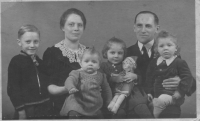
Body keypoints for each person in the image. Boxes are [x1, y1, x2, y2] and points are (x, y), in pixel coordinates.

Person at [127, 11, 196, 118]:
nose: (143, 30)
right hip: (137, 105)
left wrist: (180, 82)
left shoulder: (169, 52)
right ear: (134, 28)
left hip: (166, 103)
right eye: (139, 25)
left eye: (148, 26)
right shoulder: (126, 53)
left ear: (157, 29)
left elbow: (190, 81)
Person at [42, 8, 87, 117]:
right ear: (63, 27)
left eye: (80, 25)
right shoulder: (52, 53)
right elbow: (48, 87)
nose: (76, 28)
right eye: (71, 24)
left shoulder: (89, 52)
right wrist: (68, 88)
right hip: (62, 107)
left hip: (89, 104)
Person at [145, 30, 194, 118]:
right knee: (154, 103)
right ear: (157, 49)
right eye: (161, 46)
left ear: (176, 48)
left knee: (161, 101)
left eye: (169, 45)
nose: (165, 48)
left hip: (173, 96)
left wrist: (180, 91)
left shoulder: (179, 62)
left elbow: (188, 78)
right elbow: (149, 79)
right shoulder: (153, 63)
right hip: (156, 96)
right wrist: (149, 92)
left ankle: (155, 116)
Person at [7, 25, 51, 119]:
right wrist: (21, 110)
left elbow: (48, 77)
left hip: (45, 105)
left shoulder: (39, 61)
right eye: (28, 42)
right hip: (28, 108)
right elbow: (13, 88)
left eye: (36, 41)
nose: (32, 45)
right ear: (19, 42)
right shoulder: (16, 61)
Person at [60, 47, 112, 119]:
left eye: (94, 62)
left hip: (94, 105)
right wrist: (71, 87)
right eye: (86, 61)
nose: (90, 64)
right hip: (78, 103)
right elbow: (69, 80)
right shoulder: (77, 73)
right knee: (74, 113)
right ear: (81, 63)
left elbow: (107, 90)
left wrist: (109, 101)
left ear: (99, 65)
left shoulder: (101, 76)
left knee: (100, 116)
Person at [101, 37, 138, 118]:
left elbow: (136, 75)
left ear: (124, 54)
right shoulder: (103, 66)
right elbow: (101, 79)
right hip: (108, 95)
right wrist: (114, 79)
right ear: (105, 53)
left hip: (122, 96)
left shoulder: (125, 65)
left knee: (120, 113)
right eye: (112, 53)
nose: (116, 56)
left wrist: (134, 76)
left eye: (120, 53)